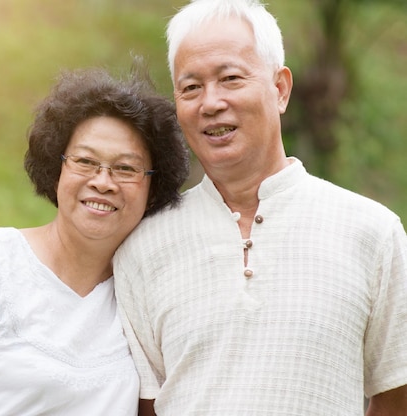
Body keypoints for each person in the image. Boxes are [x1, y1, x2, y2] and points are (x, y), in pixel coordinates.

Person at [113, 1, 407, 415]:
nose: (210, 102)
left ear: (280, 89)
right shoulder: (142, 247)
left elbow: (397, 395)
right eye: (190, 87)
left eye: (231, 78)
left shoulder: (372, 232)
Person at [0, 62, 190, 415]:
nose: (103, 181)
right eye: (85, 161)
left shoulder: (143, 302)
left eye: (126, 168)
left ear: (152, 186)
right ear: (58, 169)